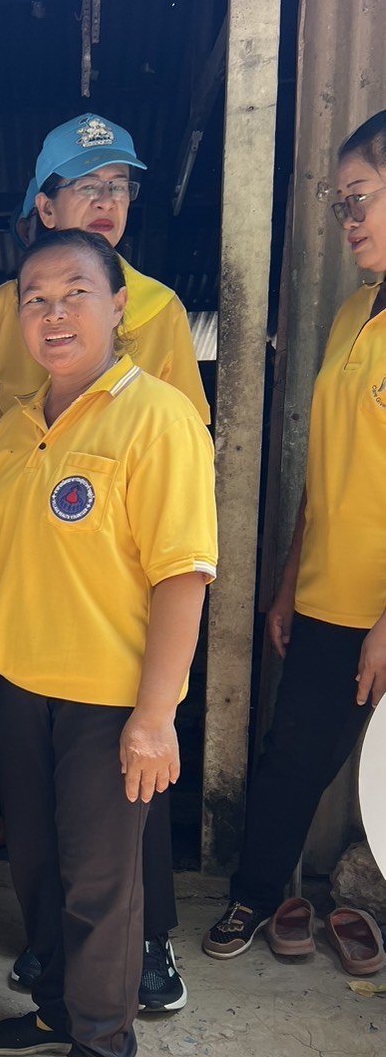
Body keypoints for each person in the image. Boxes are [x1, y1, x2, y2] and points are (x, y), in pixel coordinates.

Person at [0, 112, 209, 1011]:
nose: (105, 201)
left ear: (113, 304)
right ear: (42, 206)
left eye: (119, 187)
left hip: (112, 607)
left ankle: (141, 955)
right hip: (26, 601)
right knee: (49, 821)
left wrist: (159, 700)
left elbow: (177, 469)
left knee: (124, 800)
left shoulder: (157, 314)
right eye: (86, 187)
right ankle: (65, 974)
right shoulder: (2, 315)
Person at [0, 229, 216, 1057]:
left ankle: (105, 1054)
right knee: (37, 864)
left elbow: (183, 576)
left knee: (102, 882)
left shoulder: (158, 417)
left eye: (75, 292)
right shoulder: (14, 431)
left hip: (111, 700)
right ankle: (59, 1011)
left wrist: (157, 714)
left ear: (118, 307)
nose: (54, 313)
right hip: (22, 688)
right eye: (35, 298)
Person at [203, 109, 386, 962]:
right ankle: (256, 894)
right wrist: (286, 579)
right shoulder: (353, 314)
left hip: (379, 609)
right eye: (340, 202)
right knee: (289, 759)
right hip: (327, 596)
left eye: (361, 197)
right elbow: (327, 462)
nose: (347, 219)